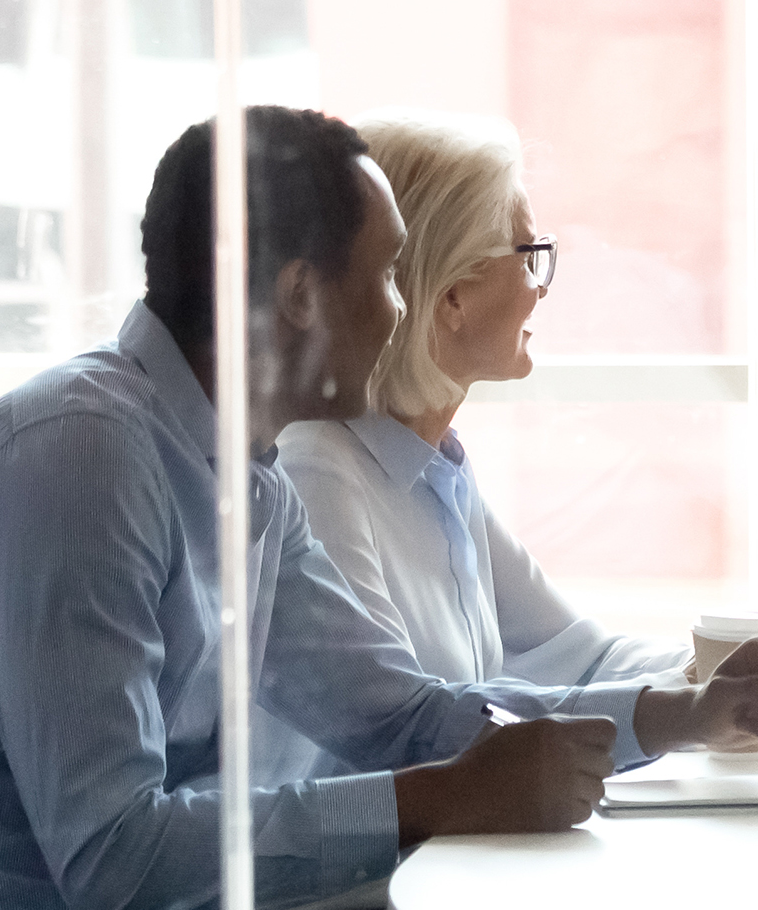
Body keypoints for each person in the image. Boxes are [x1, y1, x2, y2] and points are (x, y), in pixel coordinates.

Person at [0, 107, 758, 910]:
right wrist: (437, 798)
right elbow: (115, 862)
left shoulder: (252, 477)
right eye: (390, 273)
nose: (402, 308)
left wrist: (686, 714)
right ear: (304, 295)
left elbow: (401, 715)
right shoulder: (79, 462)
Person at [250, 109, 695, 785]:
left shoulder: (435, 474)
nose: (540, 286)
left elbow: (583, 657)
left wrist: (715, 671)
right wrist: (688, 709)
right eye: (529, 256)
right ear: (452, 295)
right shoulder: (318, 473)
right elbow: (413, 730)